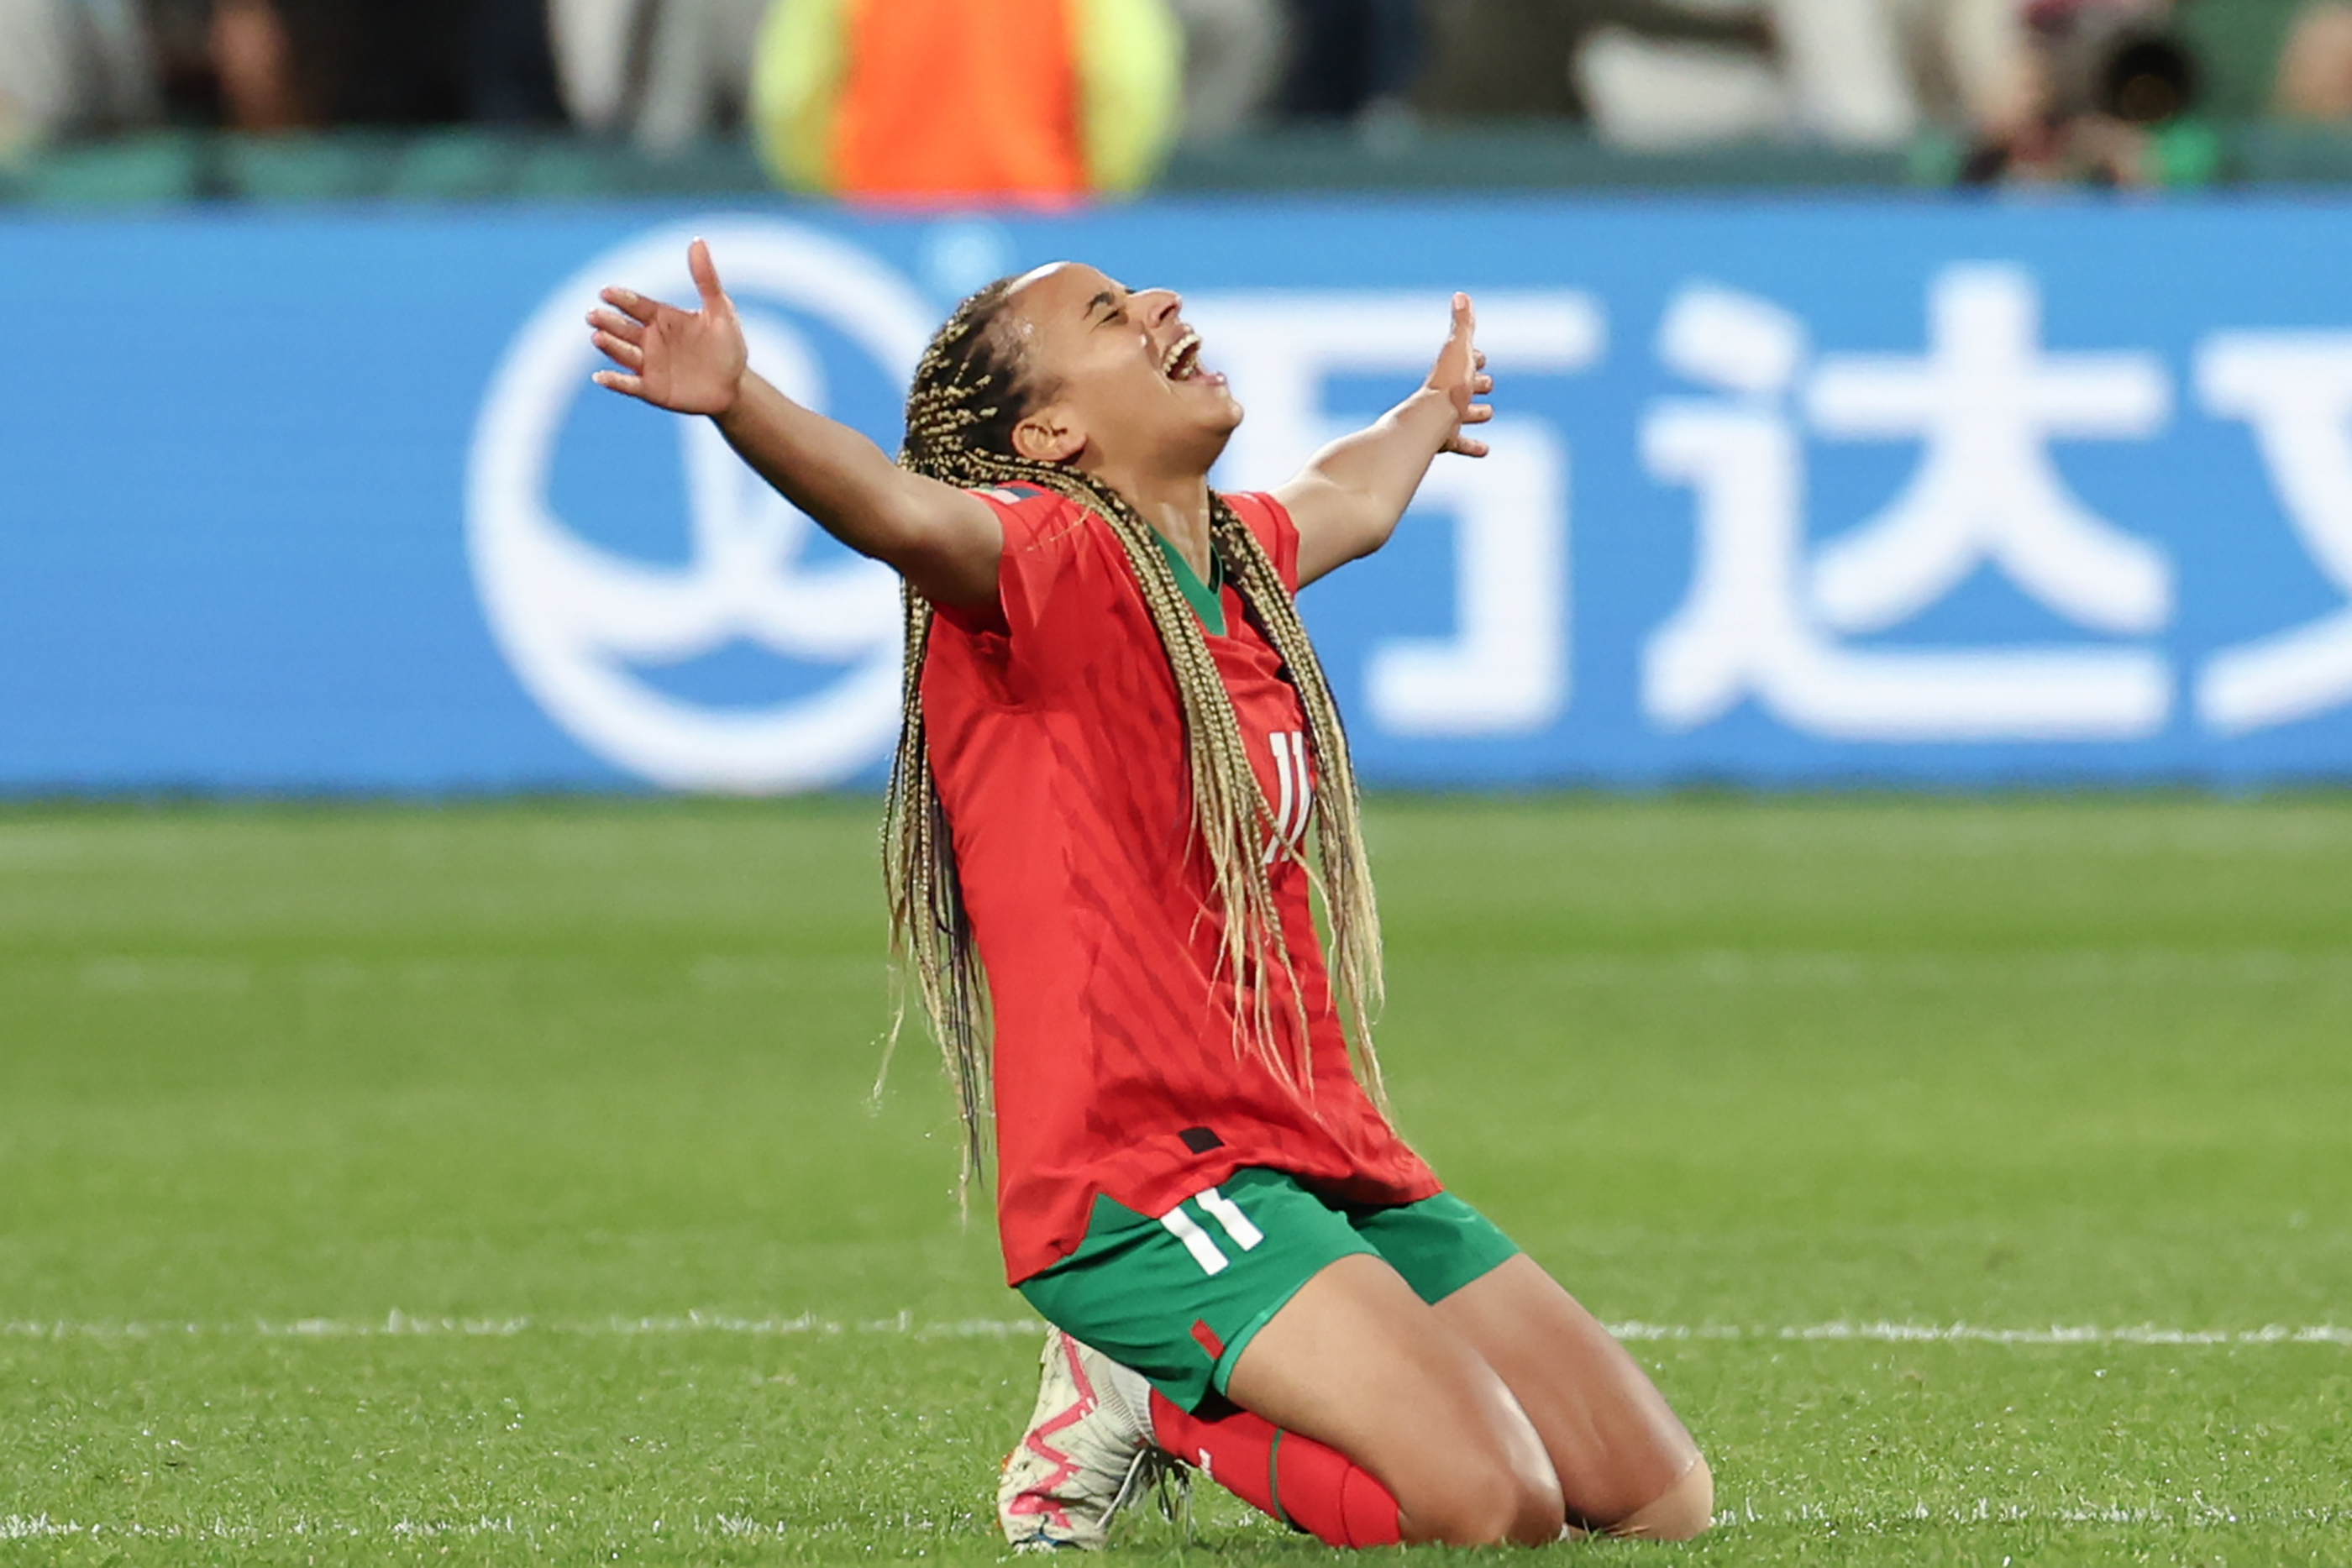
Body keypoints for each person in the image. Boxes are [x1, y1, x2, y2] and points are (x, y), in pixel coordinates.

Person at [585, 240, 1714, 1550]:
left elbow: (1350, 496)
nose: (1166, 306)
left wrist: (1428, 411)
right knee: (1488, 1506)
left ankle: (1197, 1369)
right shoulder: (1042, 562)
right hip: (1145, 1177)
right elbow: (902, 513)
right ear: (1051, 431)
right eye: (1111, 315)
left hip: (1314, 1139)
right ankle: (1145, 1391)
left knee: (1653, 1500)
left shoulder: (1237, 564)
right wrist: (742, 404)